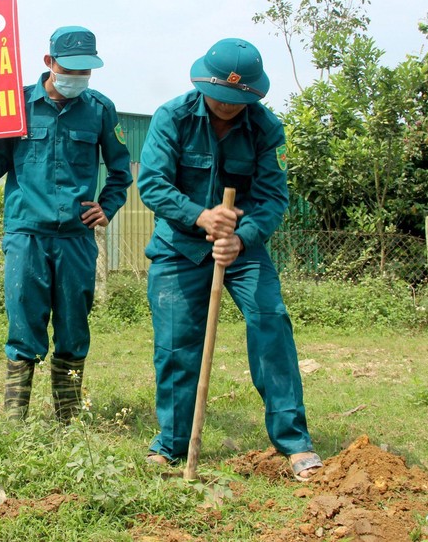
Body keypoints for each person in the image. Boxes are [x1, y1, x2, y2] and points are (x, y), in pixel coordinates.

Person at [137, 37, 322, 480]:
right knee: (177, 343)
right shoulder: (172, 118)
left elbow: (273, 197)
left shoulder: (265, 128)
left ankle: (294, 442)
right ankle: (172, 445)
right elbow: (153, 185)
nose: (226, 105)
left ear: (253, 94)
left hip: (242, 249)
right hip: (180, 247)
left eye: (238, 99)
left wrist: (241, 237)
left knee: (270, 322)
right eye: (220, 95)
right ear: (204, 83)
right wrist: (201, 216)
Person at [0, 26, 132, 422]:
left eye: (85, 71)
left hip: (76, 239)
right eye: (69, 68)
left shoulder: (100, 109)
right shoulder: (17, 104)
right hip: (26, 234)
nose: (77, 78)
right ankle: (15, 422)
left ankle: (68, 419)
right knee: (24, 323)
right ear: (48, 62)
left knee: (74, 326)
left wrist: (107, 206)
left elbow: (120, 169)